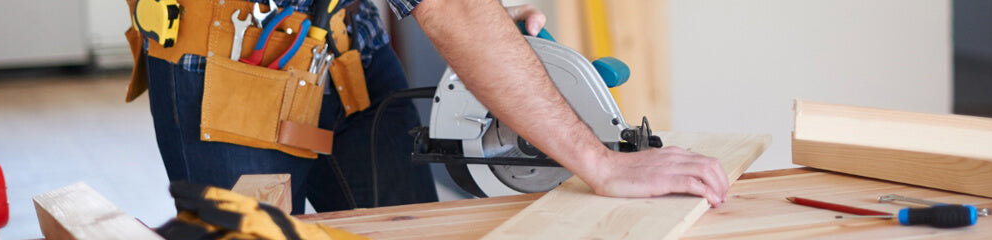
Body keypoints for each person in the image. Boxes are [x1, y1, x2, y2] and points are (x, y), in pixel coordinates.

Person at [135, 0, 730, 215]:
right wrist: (601, 163)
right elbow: (449, 8)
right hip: (231, 66)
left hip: (346, 43)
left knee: (408, 229)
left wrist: (496, 42)